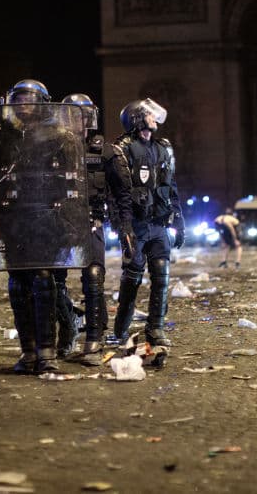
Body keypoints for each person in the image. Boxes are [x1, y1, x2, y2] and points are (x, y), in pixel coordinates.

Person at [0, 79, 85, 373]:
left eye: (29, 99)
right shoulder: (4, 136)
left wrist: (70, 222)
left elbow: (73, 181)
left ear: (42, 102)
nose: (23, 104)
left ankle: (47, 353)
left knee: (43, 281)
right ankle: (28, 351)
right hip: (13, 220)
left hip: (46, 219)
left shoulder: (59, 135)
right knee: (18, 284)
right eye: (18, 99)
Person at [106, 97, 185, 354]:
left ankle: (156, 328)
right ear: (138, 118)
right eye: (149, 114)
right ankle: (120, 330)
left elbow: (170, 187)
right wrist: (124, 228)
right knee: (133, 276)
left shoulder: (163, 148)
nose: (155, 118)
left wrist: (179, 219)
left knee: (162, 274)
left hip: (159, 224)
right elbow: (118, 194)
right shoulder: (123, 148)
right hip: (136, 225)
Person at [62, 93, 109, 366]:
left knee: (93, 275)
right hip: (59, 223)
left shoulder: (102, 150)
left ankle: (94, 336)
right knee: (49, 282)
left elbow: (122, 190)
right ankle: (67, 325)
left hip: (92, 222)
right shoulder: (51, 148)